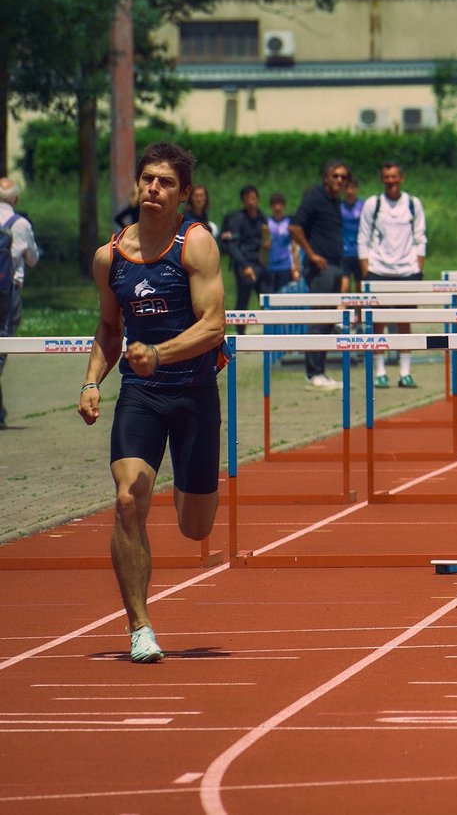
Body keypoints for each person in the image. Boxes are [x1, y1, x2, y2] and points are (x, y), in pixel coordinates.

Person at [76, 142, 226, 664]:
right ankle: (140, 625)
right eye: (147, 180)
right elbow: (108, 328)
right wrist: (92, 381)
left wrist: (158, 353)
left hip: (193, 395)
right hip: (140, 397)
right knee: (125, 500)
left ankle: (184, 483)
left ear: (183, 194)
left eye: (165, 182)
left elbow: (214, 325)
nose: (153, 189)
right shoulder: (110, 257)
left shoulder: (196, 244)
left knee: (195, 527)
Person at [359, 160, 429, 387]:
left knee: (404, 320)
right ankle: (380, 371)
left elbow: (420, 236)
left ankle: (405, 371)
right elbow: (363, 236)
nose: (390, 181)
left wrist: (418, 267)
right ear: (382, 179)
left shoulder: (412, 203)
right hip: (379, 269)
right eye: (386, 177)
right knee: (378, 321)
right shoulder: (373, 203)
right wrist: (366, 270)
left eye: (394, 176)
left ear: (401, 178)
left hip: (407, 270)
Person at [287, 160, 349, 389]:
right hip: (320, 268)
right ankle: (313, 372)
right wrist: (311, 254)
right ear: (326, 178)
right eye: (336, 176)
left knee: (329, 320)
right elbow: (294, 226)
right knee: (319, 320)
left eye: (343, 177)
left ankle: (320, 371)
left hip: (334, 266)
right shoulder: (315, 197)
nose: (340, 181)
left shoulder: (335, 202)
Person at [0, 177, 44, 428]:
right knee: (2, 344)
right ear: (15, 199)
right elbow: (33, 260)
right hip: (8, 291)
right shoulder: (21, 224)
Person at [219, 186, 269, 311]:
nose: (251, 202)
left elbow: (265, 238)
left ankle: (270, 330)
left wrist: (266, 245)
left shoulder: (262, 217)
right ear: (243, 201)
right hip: (243, 262)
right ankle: (240, 330)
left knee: (266, 297)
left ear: (257, 199)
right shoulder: (238, 218)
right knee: (243, 299)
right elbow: (232, 245)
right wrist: (245, 265)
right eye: (248, 199)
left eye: (253, 198)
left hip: (260, 262)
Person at [265, 193, 299, 294]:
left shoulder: (289, 222)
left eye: (280, 204)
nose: (277, 207)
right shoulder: (267, 223)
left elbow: (294, 246)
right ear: (271, 206)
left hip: (285, 265)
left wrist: (296, 267)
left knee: (283, 295)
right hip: (270, 265)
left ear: (284, 206)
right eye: (275, 204)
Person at [339, 176, 364, 286]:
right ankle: (342, 304)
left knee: (361, 287)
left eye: (352, 188)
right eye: (346, 188)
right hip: (344, 251)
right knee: (344, 287)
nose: (349, 191)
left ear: (356, 189)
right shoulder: (338, 206)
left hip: (360, 252)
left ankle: (362, 304)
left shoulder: (363, 206)